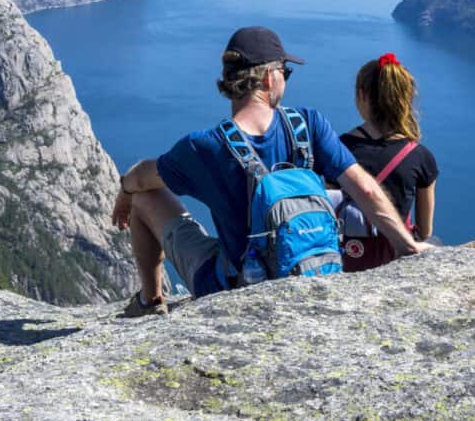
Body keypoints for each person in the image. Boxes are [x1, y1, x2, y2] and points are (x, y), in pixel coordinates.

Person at [111, 27, 430, 317]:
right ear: (267, 79)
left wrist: (126, 191)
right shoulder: (309, 124)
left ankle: (150, 302)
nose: (286, 79)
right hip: (313, 272)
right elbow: (367, 189)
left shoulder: (204, 147)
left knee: (145, 198)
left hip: (237, 289)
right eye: (285, 71)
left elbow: (143, 178)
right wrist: (406, 245)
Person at [334, 52, 439, 272]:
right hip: (394, 259)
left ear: (362, 95)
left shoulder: (337, 149)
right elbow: (425, 230)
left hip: (345, 258)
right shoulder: (421, 157)